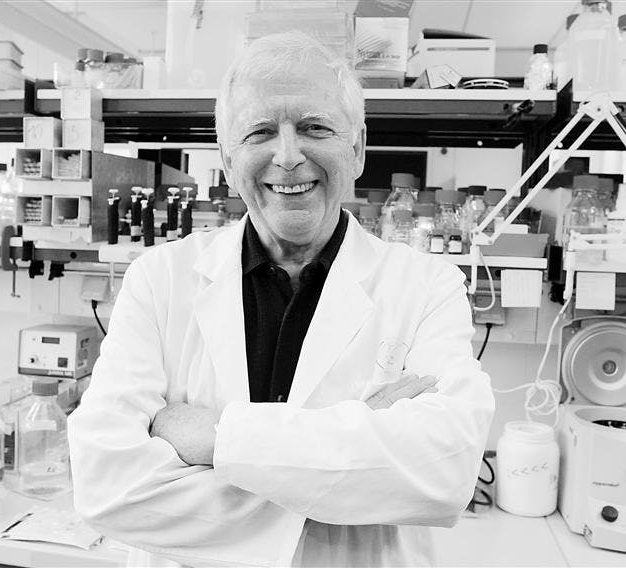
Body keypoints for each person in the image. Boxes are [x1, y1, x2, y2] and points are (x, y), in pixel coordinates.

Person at [68, 31, 495, 567]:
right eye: (261, 131)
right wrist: (350, 465)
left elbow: (444, 472)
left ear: (357, 149)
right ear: (228, 159)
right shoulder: (159, 279)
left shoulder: (427, 286)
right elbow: (106, 486)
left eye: (315, 127)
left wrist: (215, 438)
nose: (289, 156)